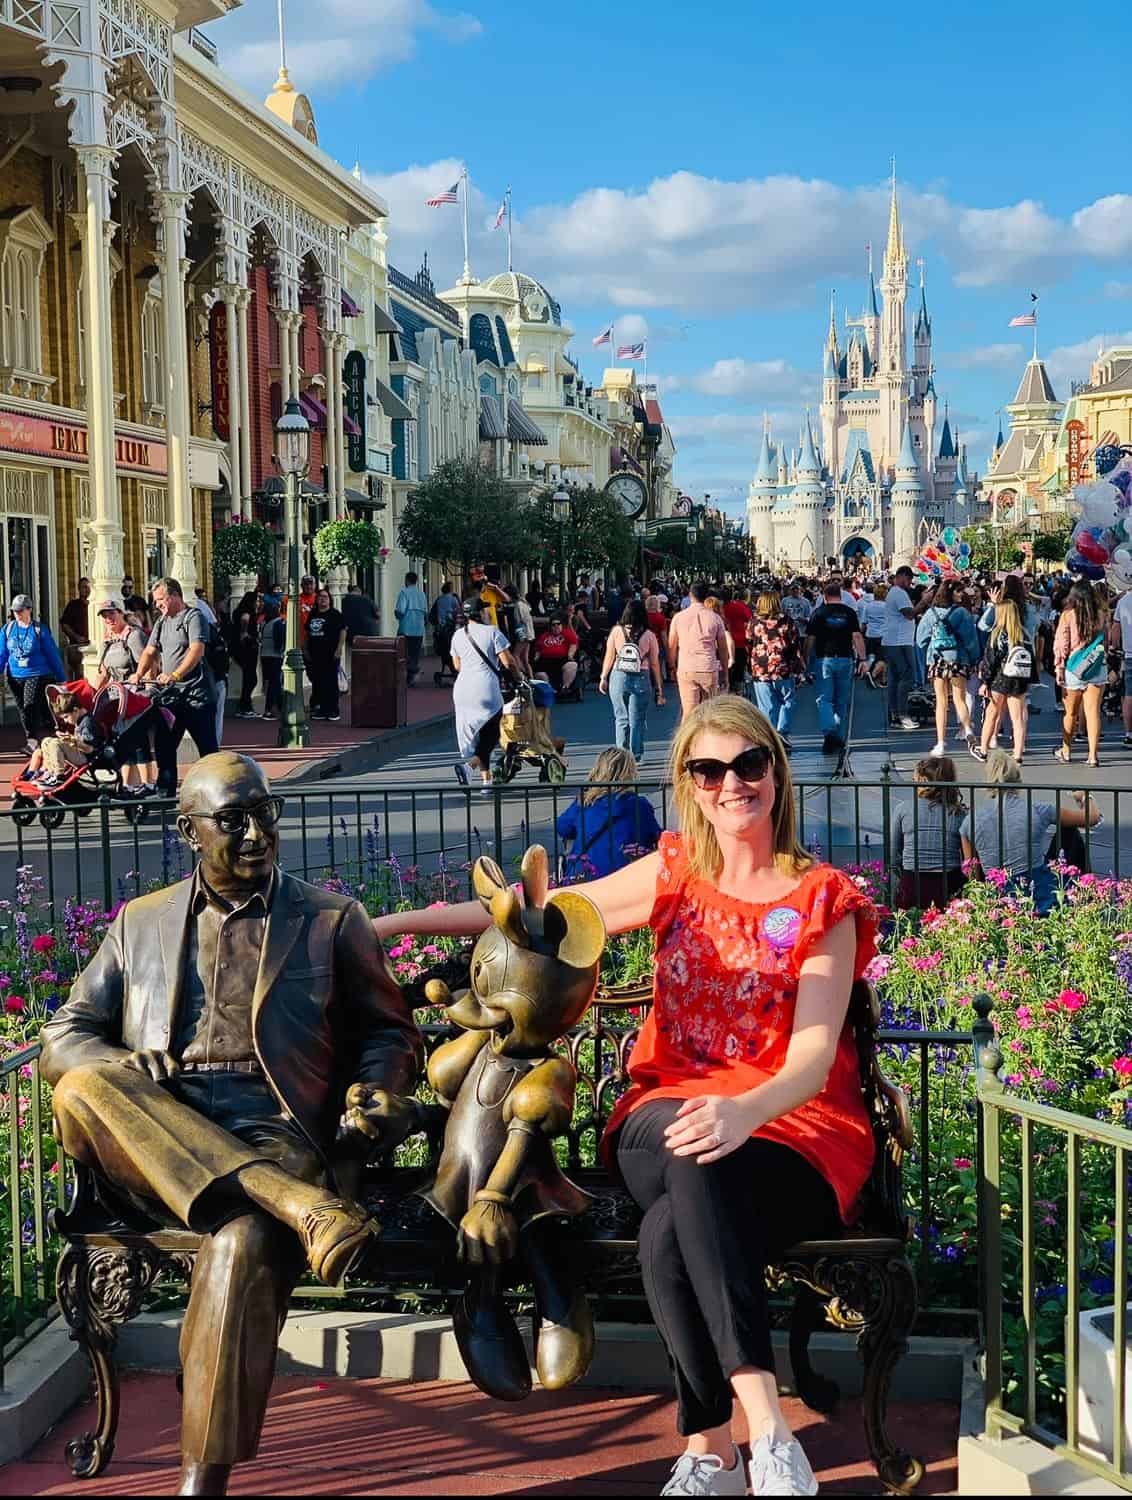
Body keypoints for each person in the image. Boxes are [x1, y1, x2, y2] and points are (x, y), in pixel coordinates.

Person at [373, 694, 878, 1498]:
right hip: (662, 1108)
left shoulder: (823, 899)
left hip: (792, 1128)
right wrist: (397, 923)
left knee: (670, 1233)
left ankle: (712, 1451)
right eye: (708, 770)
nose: (731, 784)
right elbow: (533, 917)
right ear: (689, 784)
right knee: (689, 1145)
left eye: (748, 764)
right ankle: (770, 1428)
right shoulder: (674, 872)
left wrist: (744, 1110)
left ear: (775, 772)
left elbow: (815, 1057)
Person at [40, 751, 421, 1498]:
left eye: (265, 812)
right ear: (189, 832)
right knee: (84, 1083)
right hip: (155, 1136)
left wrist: (376, 1090)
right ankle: (294, 1205)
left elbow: (390, 1034)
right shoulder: (139, 923)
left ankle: (199, 1486)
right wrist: (125, 1063)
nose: (256, 833)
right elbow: (65, 1032)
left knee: (240, 1241)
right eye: (232, 820)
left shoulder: (330, 920)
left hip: (274, 1130)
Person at [960, 750, 1100, 914]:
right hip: (1038, 888)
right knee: (1069, 831)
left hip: (997, 891)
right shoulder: (1038, 809)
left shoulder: (970, 821)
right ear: (1018, 779)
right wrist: (1085, 797)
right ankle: (1083, 892)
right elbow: (1092, 818)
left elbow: (972, 873)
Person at [131, 578, 218, 798]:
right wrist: (138, 674)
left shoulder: (193, 617)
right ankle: (165, 791)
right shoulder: (162, 622)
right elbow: (150, 651)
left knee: (207, 748)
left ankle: (216, 790)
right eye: (155, 601)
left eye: (161, 599)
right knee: (164, 744)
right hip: (172, 698)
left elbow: (196, 650)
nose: (157, 605)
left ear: (175, 596)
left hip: (197, 695)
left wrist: (176, 674)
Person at [556, 748, 662, 879]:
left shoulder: (585, 802)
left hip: (584, 877)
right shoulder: (638, 805)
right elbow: (656, 837)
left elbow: (563, 828)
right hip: (625, 877)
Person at [451, 597, 522, 792]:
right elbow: (509, 662)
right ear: (480, 613)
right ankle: (469, 767)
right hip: (486, 688)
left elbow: (457, 665)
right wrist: (519, 679)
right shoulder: (492, 632)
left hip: (463, 689)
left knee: (478, 736)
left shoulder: (457, 635)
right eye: (484, 610)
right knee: (491, 734)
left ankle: (486, 782)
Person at [890, 756, 967, 911]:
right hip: (949, 883)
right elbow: (968, 858)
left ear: (922, 781)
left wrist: (903, 874)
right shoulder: (959, 813)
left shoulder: (903, 809)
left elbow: (893, 855)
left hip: (913, 883)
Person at [1054, 580, 1115, 768]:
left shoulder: (1068, 615)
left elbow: (1062, 643)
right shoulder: (1101, 614)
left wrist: (1059, 666)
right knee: (1093, 712)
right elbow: (1107, 640)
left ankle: (1066, 750)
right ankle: (1092, 755)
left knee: (1071, 713)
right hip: (1096, 666)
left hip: (1074, 667)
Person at [916, 580, 979, 758]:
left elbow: (921, 640)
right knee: (960, 698)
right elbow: (971, 640)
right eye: (959, 592)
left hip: (936, 660)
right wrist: (974, 659)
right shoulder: (963, 613)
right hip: (958, 659)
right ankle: (967, 730)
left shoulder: (931, 613)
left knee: (941, 702)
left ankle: (941, 743)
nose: (962, 595)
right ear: (952, 593)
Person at [805, 581, 867, 754]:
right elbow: (857, 636)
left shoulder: (818, 613)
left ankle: (829, 732)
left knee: (824, 699)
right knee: (841, 700)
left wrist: (805, 659)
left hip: (824, 659)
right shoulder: (849, 613)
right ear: (840, 596)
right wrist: (863, 659)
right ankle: (837, 736)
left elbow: (810, 639)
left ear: (824, 597)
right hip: (845, 659)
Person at [599, 600, 665, 761]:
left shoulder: (616, 631)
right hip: (640, 676)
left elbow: (609, 656)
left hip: (618, 675)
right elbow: (655, 663)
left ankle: (622, 755)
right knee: (637, 719)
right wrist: (659, 687)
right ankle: (636, 755)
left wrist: (603, 677)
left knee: (621, 718)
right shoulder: (649, 635)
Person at [0, 592, 66, 749]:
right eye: (15, 611)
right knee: (23, 707)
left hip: (36, 673)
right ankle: (32, 739)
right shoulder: (8, 629)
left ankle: (41, 737)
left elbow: (52, 654)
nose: (17, 614)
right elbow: (2, 653)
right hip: (14, 675)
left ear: (29, 609)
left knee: (30, 704)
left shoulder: (39, 629)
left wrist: (61, 677)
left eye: (21, 610)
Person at [974, 594, 1033, 765]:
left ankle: (983, 750)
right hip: (1019, 678)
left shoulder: (998, 634)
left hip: (999, 679)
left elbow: (990, 660)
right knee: (1018, 719)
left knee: (992, 714)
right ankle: (1018, 754)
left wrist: (985, 681)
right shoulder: (1023, 634)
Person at [748, 592, 804, 748]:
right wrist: (798, 667)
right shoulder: (786, 621)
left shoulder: (754, 623)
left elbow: (748, 641)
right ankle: (781, 731)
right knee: (787, 700)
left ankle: (769, 735)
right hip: (782, 666)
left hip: (760, 668)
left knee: (766, 705)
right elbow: (795, 644)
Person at [667, 581, 730, 719]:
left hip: (686, 667)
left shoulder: (678, 618)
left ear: (690, 595)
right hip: (708, 667)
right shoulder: (715, 618)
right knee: (708, 714)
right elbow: (723, 649)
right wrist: (725, 672)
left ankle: (686, 739)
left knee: (689, 713)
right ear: (707, 596)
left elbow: (672, 645)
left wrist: (671, 666)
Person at [883, 565, 919, 730]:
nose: (910, 583)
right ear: (903, 577)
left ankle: (894, 714)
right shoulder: (898, 593)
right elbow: (909, 614)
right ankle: (902, 715)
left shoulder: (894, 592)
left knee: (895, 679)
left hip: (895, 641)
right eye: (910, 580)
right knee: (906, 677)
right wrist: (924, 602)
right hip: (900, 642)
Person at [304, 588, 346, 722]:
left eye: (325, 597)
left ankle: (332, 710)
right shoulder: (313, 614)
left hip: (330, 653)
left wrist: (339, 649)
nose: (322, 599)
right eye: (320, 597)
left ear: (330, 599)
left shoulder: (335, 614)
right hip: (315, 653)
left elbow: (343, 631)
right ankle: (321, 709)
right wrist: (305, 649)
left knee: (330, 682)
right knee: (317, 682)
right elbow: (307, 632)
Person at [229, 591, 261, 719]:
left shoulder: (237, 611)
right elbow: (245, 619)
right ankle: (244, 706)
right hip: (247, 647)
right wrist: (244, 633)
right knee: (251, 678)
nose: (258, 604)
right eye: (256, 601)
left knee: (249, 677)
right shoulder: (247, 611)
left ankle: (245, 704)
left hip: (240, 647)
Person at [533, 611, 580, 694]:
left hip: (562, 659)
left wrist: (570, 654)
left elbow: (573, 644)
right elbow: (538, 648)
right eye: (553, 625)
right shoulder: (544, 636)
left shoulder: (567, 633)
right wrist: (537, 656)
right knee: (539, 673)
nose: (556, 626)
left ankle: (565, 687)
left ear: (562, 625)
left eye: (558, 624)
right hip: (546, 661)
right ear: (550, 626)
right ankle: (549, 690)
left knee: (572, 665)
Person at [394, 571, 429, 686]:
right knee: (414, 653)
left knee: (403, 653)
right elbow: (425, 612)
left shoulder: (404, 592)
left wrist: (397, 616)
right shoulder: (422, 594)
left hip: (406, 627)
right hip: (418, 629)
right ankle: (411, 676)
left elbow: (400, 610)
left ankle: (411, 673)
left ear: (407, 580)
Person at [59, 575, 92, 679]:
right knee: (80, 674)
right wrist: (77, 637)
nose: (87, 590)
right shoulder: (73, 605)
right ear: (79, 589)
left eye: (88, 587)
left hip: (94, 645)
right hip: (78, 646)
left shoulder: (96, 605)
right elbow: (64, 624)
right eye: (84, 587)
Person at [258, 602, 285, 720]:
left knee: (272, 682)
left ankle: (279, 706)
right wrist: (281, 649)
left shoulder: (264, 623)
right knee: (275, 682)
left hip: (265, 655)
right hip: (275, 655)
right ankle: (271, 708)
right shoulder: (278, 623)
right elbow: (280, 639)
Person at [723, 588, 753, 693]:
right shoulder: (740, 607)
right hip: (739, 642)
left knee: (726, 670)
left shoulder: (719, 608)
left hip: (723, 643)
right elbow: (750, 621)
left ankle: (727, 689)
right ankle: (738, 692)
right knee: (739, 670)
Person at [505, 583, 534, 677]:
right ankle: (531, 678)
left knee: (515, 655)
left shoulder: (518, 605)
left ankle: (522, 675)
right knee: (525, 659)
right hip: (530, 634)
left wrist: (521, 636)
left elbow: (520, 622)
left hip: (523, 634)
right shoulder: (524, 603)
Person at [862, 582, 888, 687]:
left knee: (872, 657)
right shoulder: (887, 606)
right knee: (883, 659)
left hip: (870, 634)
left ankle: (883, 680)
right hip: (883, 635)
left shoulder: (868, 606)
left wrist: (861, 633)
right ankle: (873, 675)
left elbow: (864, 622)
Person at [1116, 586, 1132, 748]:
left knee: (1129, 695)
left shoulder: (1123, 601)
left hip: (1129, 653)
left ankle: (1129, 734)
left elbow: (1116, 628)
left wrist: (1115, 647)